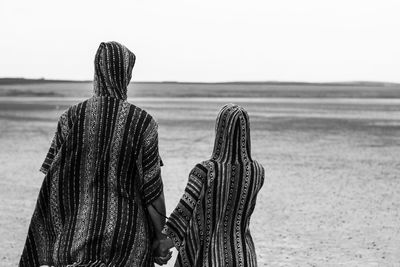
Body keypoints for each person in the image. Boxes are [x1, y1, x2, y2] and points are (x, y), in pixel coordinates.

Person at [19, 41, 171, 266]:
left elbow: (54, 183)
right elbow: (153, 191)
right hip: (128, 243)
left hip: (75, 240)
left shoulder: (70, 118)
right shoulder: (143, 123)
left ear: (97, 72)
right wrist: (160, 238)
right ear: (126, 74)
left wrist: (52, 238)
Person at [162, 103, 265, 266]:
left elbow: (183, 214)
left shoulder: (204, 170)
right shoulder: (257, 171)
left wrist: (162, 246)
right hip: (244, 256)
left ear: (220, 130)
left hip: (208, 257)